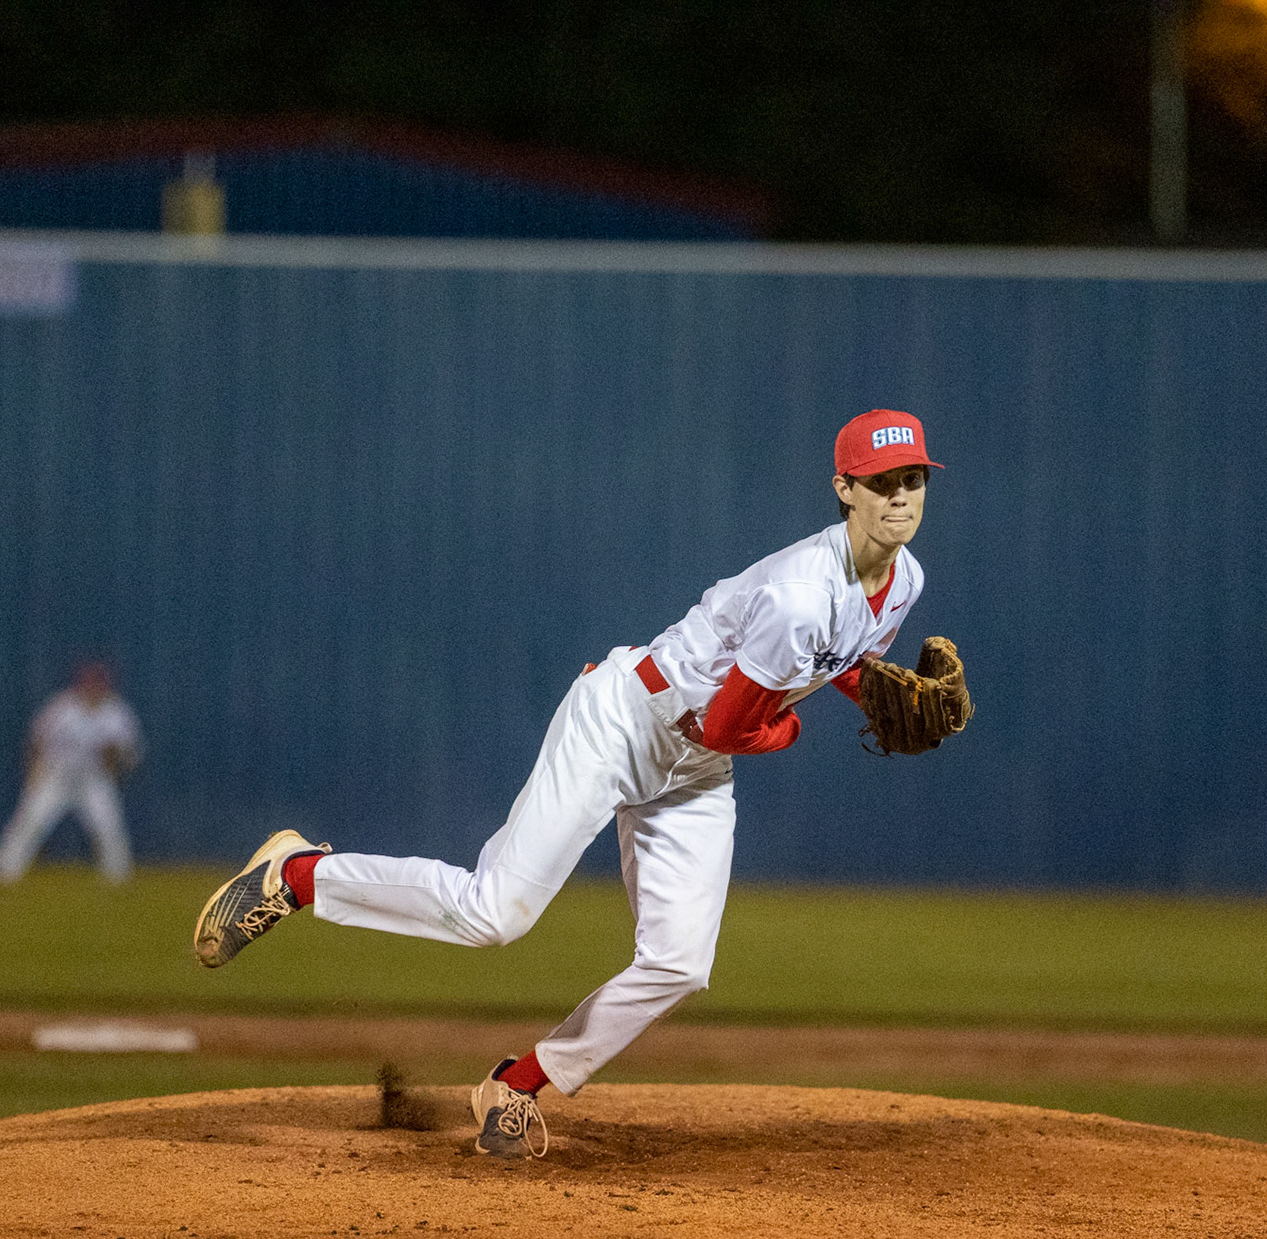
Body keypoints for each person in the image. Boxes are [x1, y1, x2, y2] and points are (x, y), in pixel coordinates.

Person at [193, 410, 944, 1158]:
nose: (901, 497)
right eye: (882, 483)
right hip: (623, 723)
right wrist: (799, 730)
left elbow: (845, 662)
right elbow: (731, 725)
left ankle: (516, 1086)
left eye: (912, 479)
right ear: (844, 488)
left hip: (693, 768)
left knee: (680, 964)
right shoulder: (798, 594)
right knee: (495, 915)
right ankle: (294, 876)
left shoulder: (903, 578)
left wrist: (880, 694)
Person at [0, 661, 143, 886]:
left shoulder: (116, 713)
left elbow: (129, 755)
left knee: (108, 827)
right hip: (56, 776)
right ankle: (3, 873)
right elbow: (36, 739)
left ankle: (117, 881)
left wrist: (114, 759)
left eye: (98, 683)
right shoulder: (62, 707)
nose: (93, 687)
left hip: (93, 780)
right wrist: (34, 769)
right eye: (89, 682)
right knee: (30, 821)